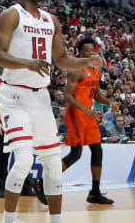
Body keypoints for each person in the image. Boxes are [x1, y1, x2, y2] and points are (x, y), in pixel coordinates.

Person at [0, 0, 104, 223]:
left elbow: (62, 59)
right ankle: (8, 221)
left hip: (41, 98)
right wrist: (27, 64)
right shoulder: (11, 15)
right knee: (22, 161)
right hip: (14, 95)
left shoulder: (51, 20)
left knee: (54, 165)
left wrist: (88, 60)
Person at [37, 37, 113, 205]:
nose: (90, 53)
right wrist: (86, 110)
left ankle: (95, 192)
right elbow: (67, 95)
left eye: (92, 51)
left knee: (97, 150)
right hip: (76, 114)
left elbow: (95, 94)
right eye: (86, 51)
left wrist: (109, 102)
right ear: (80, 53)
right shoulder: (76, 70)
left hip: (89, 114)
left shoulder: (95, 70)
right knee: (75, 154)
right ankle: (42, 183)